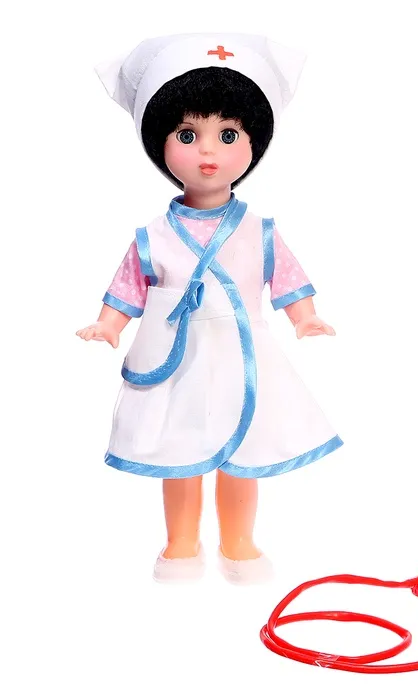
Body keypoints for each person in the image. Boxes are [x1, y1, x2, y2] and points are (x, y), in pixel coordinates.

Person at [76, 33, 343, 584]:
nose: (207, 153)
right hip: (181, 360)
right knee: (180, 452)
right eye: (187, 134)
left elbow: (286, 276)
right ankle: (180, 542)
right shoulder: (153, 235)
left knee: (244, 451)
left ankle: (239, 542)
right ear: (161, 144)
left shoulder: (258, 230)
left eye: (227, 134)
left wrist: (304, 315)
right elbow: (130, 285)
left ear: (252, 144)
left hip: (243, 357)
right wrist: (108, 323)